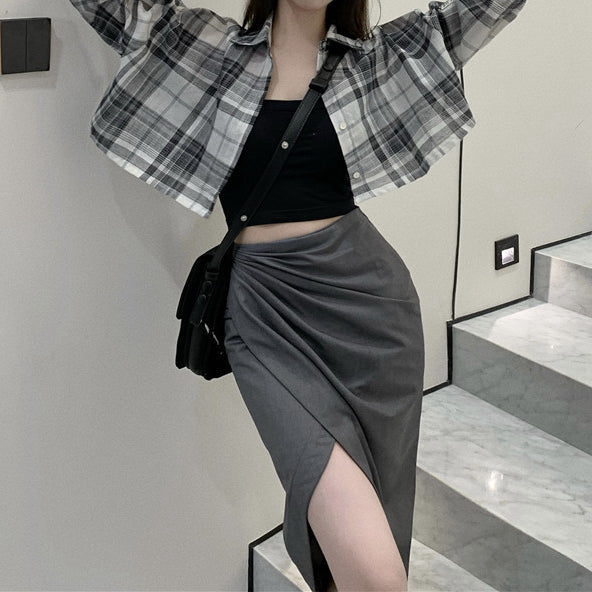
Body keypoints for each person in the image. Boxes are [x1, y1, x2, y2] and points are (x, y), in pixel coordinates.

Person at [68, 0, 528, 590]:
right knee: (375, 572)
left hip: (371, 317)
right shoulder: (203, 46)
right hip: (263, 318)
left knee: (372, 538)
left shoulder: (380, 59)